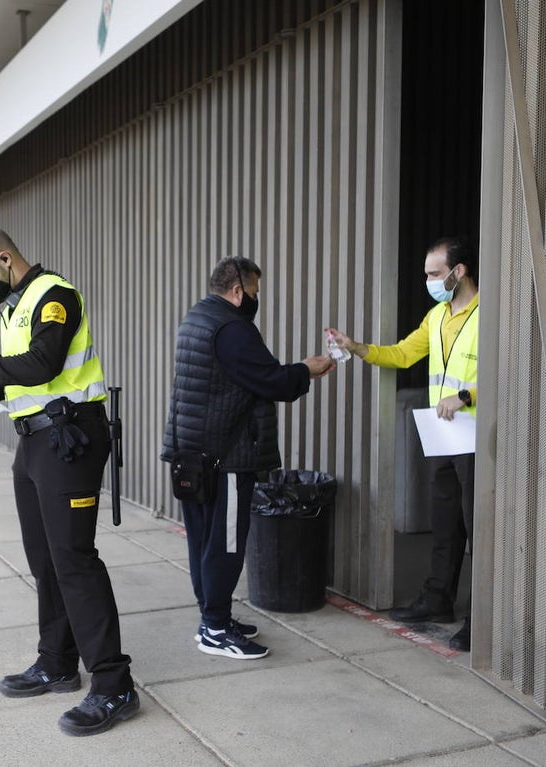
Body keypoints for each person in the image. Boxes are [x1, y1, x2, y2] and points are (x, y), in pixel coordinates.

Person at [0, 227, 137, 737]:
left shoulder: (53, 295)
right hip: (33, 444)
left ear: (5, 258)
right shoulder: (12, 307)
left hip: (68, 440)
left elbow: (44, 363)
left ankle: (114, 684)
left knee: (74, 560)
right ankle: (56, 661)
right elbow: (17, 376)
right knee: (45, 560)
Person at [161, 258, 335, 660]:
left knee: (205, 543)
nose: (256, 300)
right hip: (225, 459)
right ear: (238, 290)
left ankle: (213, 616)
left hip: (193, 453)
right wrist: (306, 370)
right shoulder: (232, 328)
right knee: (224, 545)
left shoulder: (197, 317)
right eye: (255, 292)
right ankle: (216, 630)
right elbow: (270, 379)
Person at [329, 235, 478, 652]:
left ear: (458, 271)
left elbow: (507, 369)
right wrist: (356, 348)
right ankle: (437, 601)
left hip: (476, 436)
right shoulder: (436, 317)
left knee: (477, 527)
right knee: (445, 523)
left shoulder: (488, 315)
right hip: (444, 435)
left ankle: (481, 618)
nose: (428, 280)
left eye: (434, 273)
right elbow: (402, 354)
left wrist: (466, 396)